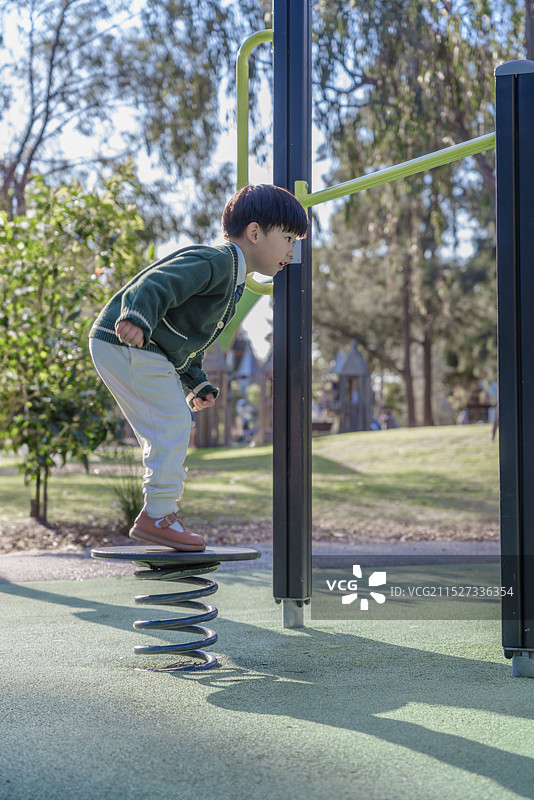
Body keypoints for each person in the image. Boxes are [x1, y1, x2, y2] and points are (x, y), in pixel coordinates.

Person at [89, 184, 308, 551]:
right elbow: (159, 281)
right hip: (129, 339)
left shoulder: (233, 281)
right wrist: (137, 317)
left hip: (137, 346)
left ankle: (160, 513)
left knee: (166, 428)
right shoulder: (217, 261)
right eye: (288, 238)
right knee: (173, 423)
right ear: (255, 233)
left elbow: (188, 341)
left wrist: (195, 382)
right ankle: (159, 515)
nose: (292, 250)